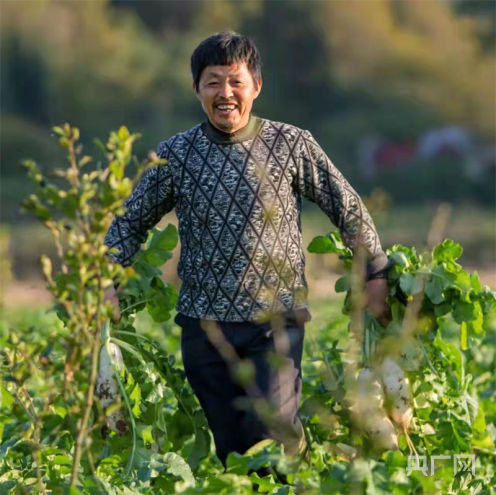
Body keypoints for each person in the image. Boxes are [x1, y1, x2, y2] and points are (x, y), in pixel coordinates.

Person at [104, 31, 390, 466]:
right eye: (213, 81)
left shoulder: (291, 144)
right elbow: (130, 221)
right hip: (205, 327)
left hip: (273, 324)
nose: (225, 93)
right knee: (231, 448)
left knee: (269, 435)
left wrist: (375, 271)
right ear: (197, 89)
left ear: (256, 86)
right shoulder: (176, 155)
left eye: (235, 81)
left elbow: (346, 206)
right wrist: (107, 280)